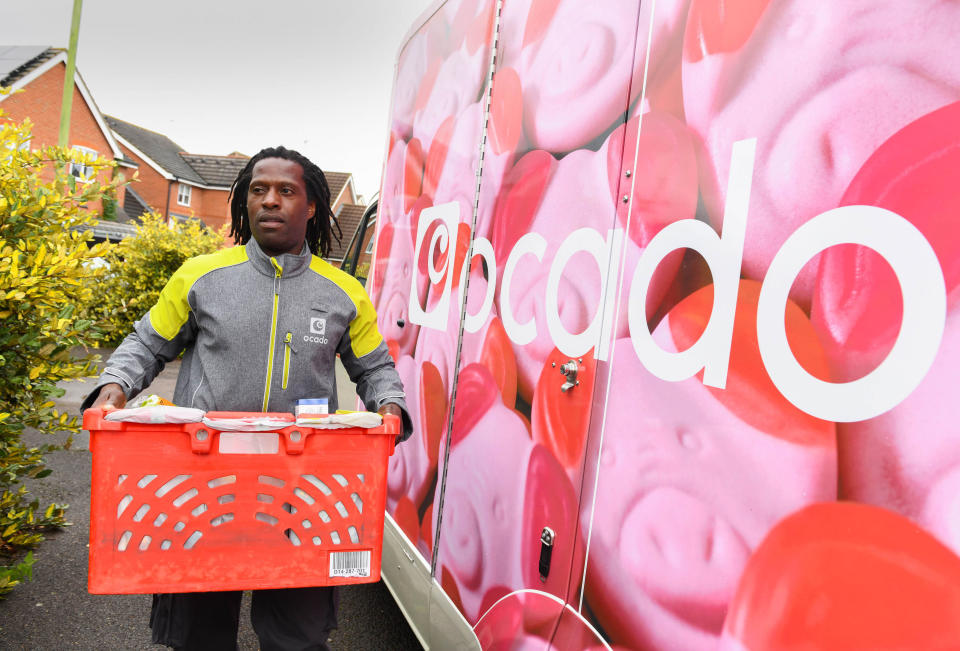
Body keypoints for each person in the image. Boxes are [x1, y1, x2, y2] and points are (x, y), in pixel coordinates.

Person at [81, 145, 411, 650]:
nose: (270, 201)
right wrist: (113, 388)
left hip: (305, 491)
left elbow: (375, 368)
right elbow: (146, 343)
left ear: (312, 206)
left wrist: (390, 408)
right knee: (199, 635)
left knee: (296, 637)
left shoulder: (344, 292)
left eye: (286, 191)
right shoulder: (201, 276)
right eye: (258, 190)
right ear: (245, 202)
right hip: (201, 484)